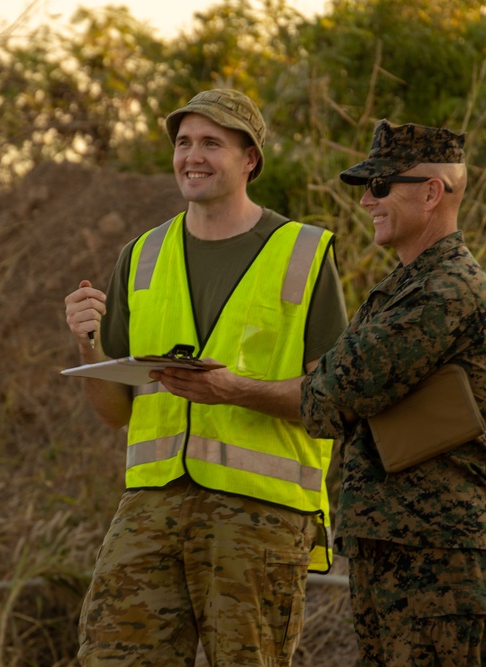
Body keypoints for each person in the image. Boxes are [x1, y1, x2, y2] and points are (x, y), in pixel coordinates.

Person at [64, 89, 348, 666]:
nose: (192, 156)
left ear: (249, 160)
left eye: (212, 143)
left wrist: (234, 391)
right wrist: (86, 340)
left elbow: (333, 401)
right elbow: (115, 412)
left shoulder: (304, 253)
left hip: (261, 515)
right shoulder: (141, 256)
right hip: (150, 506)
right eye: (184, 142)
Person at [298, 121, 486, 666]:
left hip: (438, 555)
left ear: (432, 192)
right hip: (388, 547)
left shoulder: (447, 289)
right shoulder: (399, 289)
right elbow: (334, 383)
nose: (366, 199)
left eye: (381, 185)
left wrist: (320, 382)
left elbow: (331, 395)